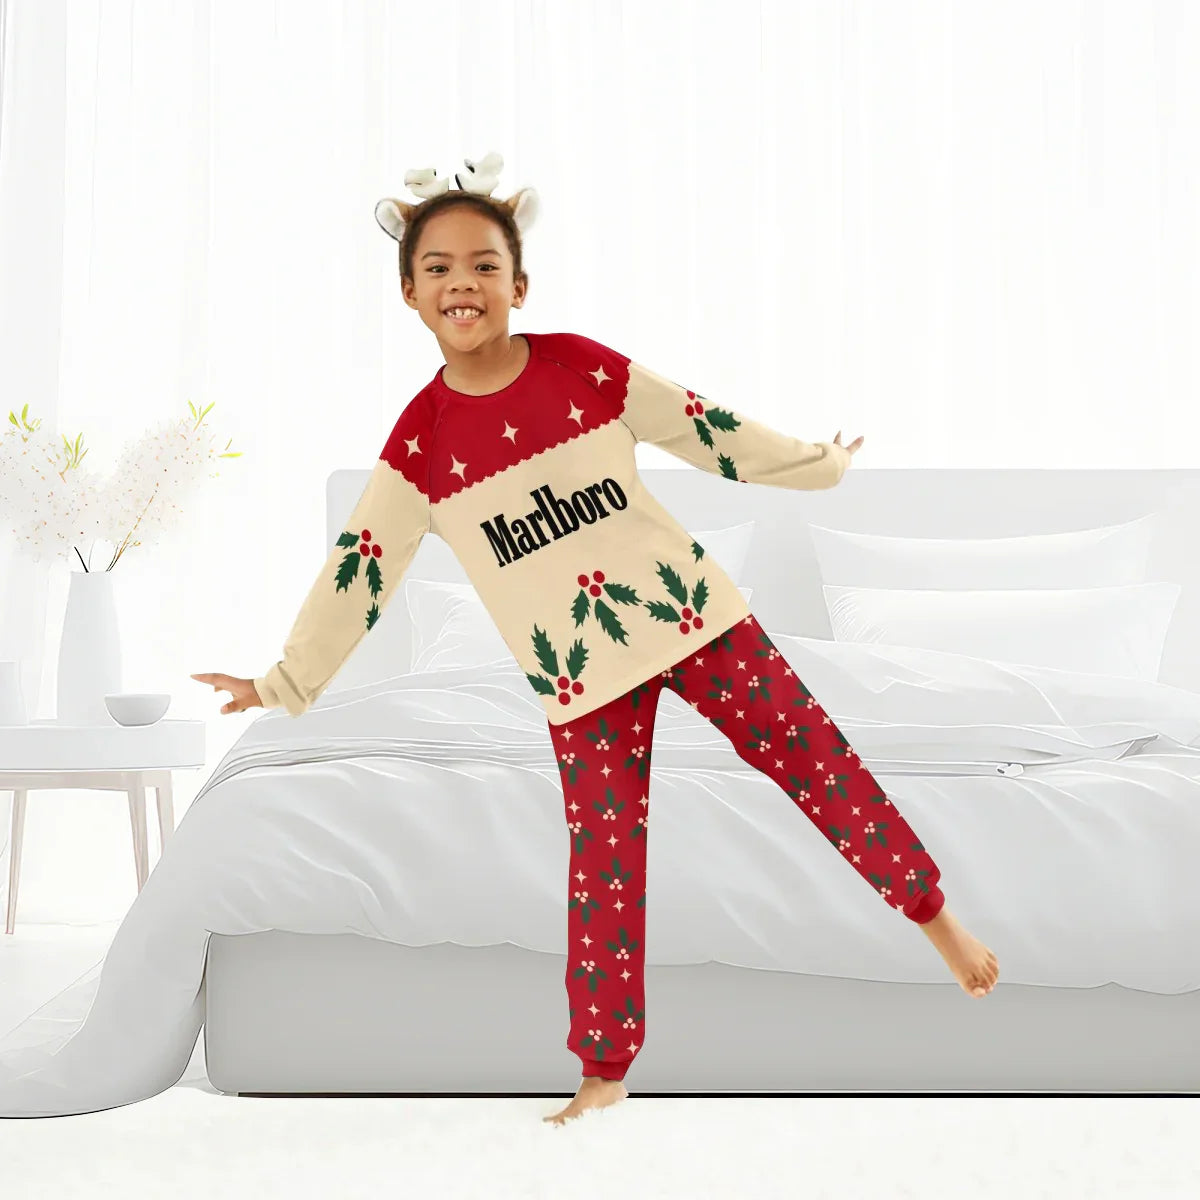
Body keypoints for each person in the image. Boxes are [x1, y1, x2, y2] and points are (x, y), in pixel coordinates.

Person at [192, 152, 998, 1127]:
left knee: (818, 761)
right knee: (605, 861)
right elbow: (363, 567)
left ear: (519, 284)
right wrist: (284, 681)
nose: (462, 283)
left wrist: (817, 465)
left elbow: (702, 426)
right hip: (582, 680)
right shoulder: (422, 443)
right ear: (408, 292)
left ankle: (937, 920)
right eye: (438, 267)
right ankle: (604, 1067)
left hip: (695, 619)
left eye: (485, 265)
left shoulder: (579, 366)